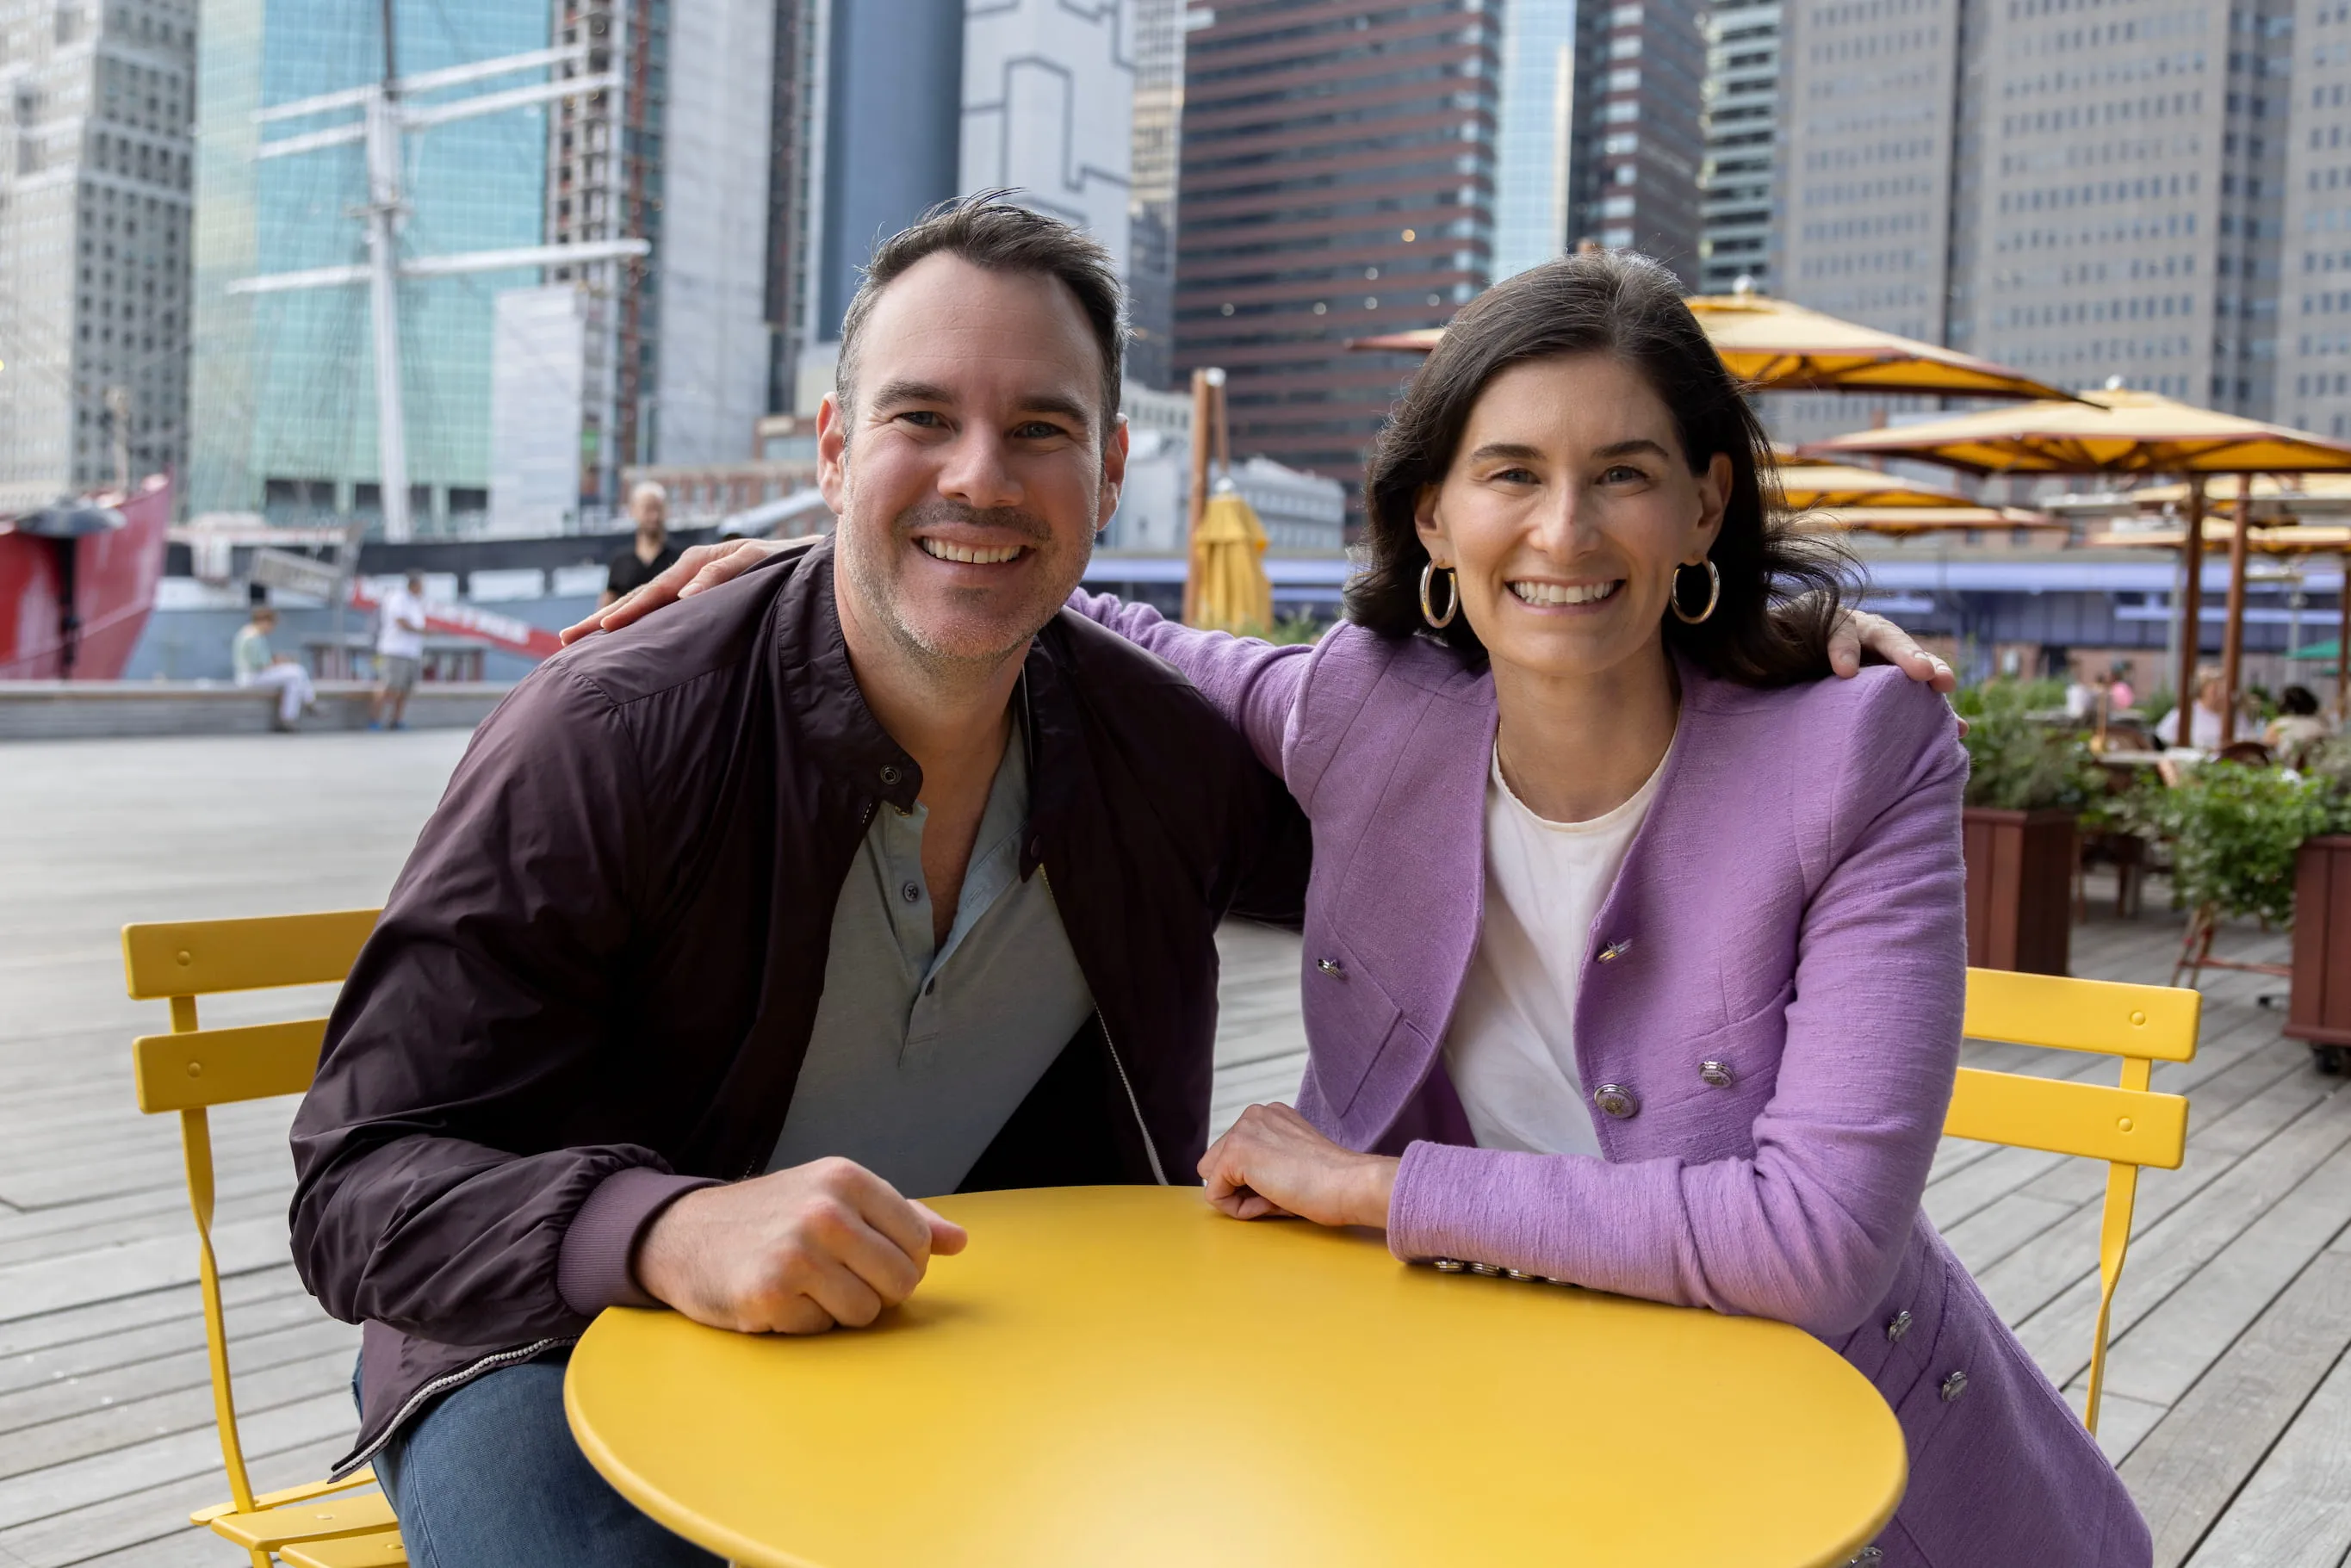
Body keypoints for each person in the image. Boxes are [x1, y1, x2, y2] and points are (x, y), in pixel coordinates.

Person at [604, 251, 2137, 1568]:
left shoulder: (1859, 751)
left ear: (1705, 502)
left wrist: (1376, 1192)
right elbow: (1080, 604)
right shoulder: (1366, 711)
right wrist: (840, 564)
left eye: (1626, 475)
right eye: (1513, 475)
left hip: (1823, 1468)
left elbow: (1815, 1244)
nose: (1566, 531)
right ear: (1430, 519)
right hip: (1463, 1410)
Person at [231, 604, 314, 731]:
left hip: (251, 676)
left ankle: (292, 715)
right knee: (297, 672)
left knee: (294, 677)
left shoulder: (248, 633)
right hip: (251, 678)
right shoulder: (252, 637)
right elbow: (261, 665)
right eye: (272, 624)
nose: (272, 629)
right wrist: (281, 662)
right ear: (264, 621)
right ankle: (307, 703)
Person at [598, 481, 679, 607]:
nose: (654, 516)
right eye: (648, 509)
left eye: (658, 508)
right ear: (633, 511)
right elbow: (605, 606)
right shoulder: (620, 562)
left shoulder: (679, 560)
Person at [369, 571, 428, 730]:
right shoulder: (398, 597)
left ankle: (396, 721)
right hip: (394, 650)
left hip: (412, 652)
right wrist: (422, 631)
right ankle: (374, 721)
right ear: (414, 584)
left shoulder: (416, 602)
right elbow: (400, 621)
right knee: (389, 686)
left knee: (405, 690)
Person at [2155, 665, 2226, 750]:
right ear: (2202, 690)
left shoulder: (2234, 716)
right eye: (2215, 690)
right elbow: (2162, 738)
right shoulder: (2187, 712)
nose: (2220, 694)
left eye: (2222, 689)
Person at [2265, 684, 2332, 770]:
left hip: (2287, 771)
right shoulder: (2321, 725)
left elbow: (2263, 749)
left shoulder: (2279, 724)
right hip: (2317, 772)